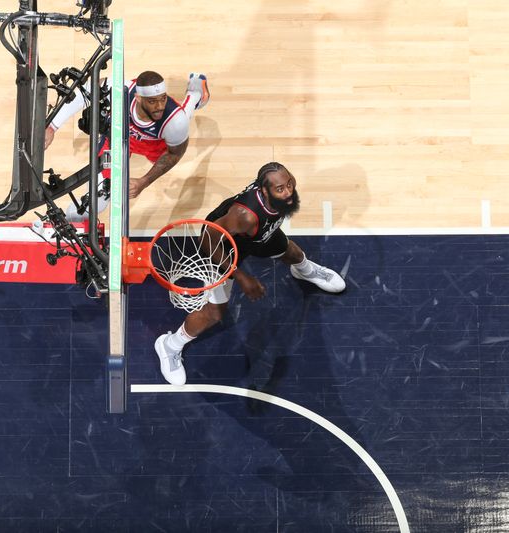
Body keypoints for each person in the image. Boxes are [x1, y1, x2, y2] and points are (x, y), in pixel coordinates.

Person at [154, 162, 346, 385]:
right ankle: (170, 345)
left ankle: (305, 271)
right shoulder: (244, 215)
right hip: (222, 248)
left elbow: (280, 200)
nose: (288, 192)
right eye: (280, 189)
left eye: (290, 184)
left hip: (255, 235)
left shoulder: (278, 196)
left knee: (288, 249)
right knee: (214, 314)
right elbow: (208, 237)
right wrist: (241, 276)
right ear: (264, 191)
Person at [45, 70, 210, 220]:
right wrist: (52, 126)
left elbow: (175, 154)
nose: (160, 106)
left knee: (181, 117)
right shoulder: (118, 90)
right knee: (101, 191)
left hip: (153, 144)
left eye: (163, 99)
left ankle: (194, 95)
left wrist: (144, 181)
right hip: (119, 136)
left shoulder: (174, 120)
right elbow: (84, 93)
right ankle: (70, 219)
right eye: (152, 101)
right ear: (138, 98)